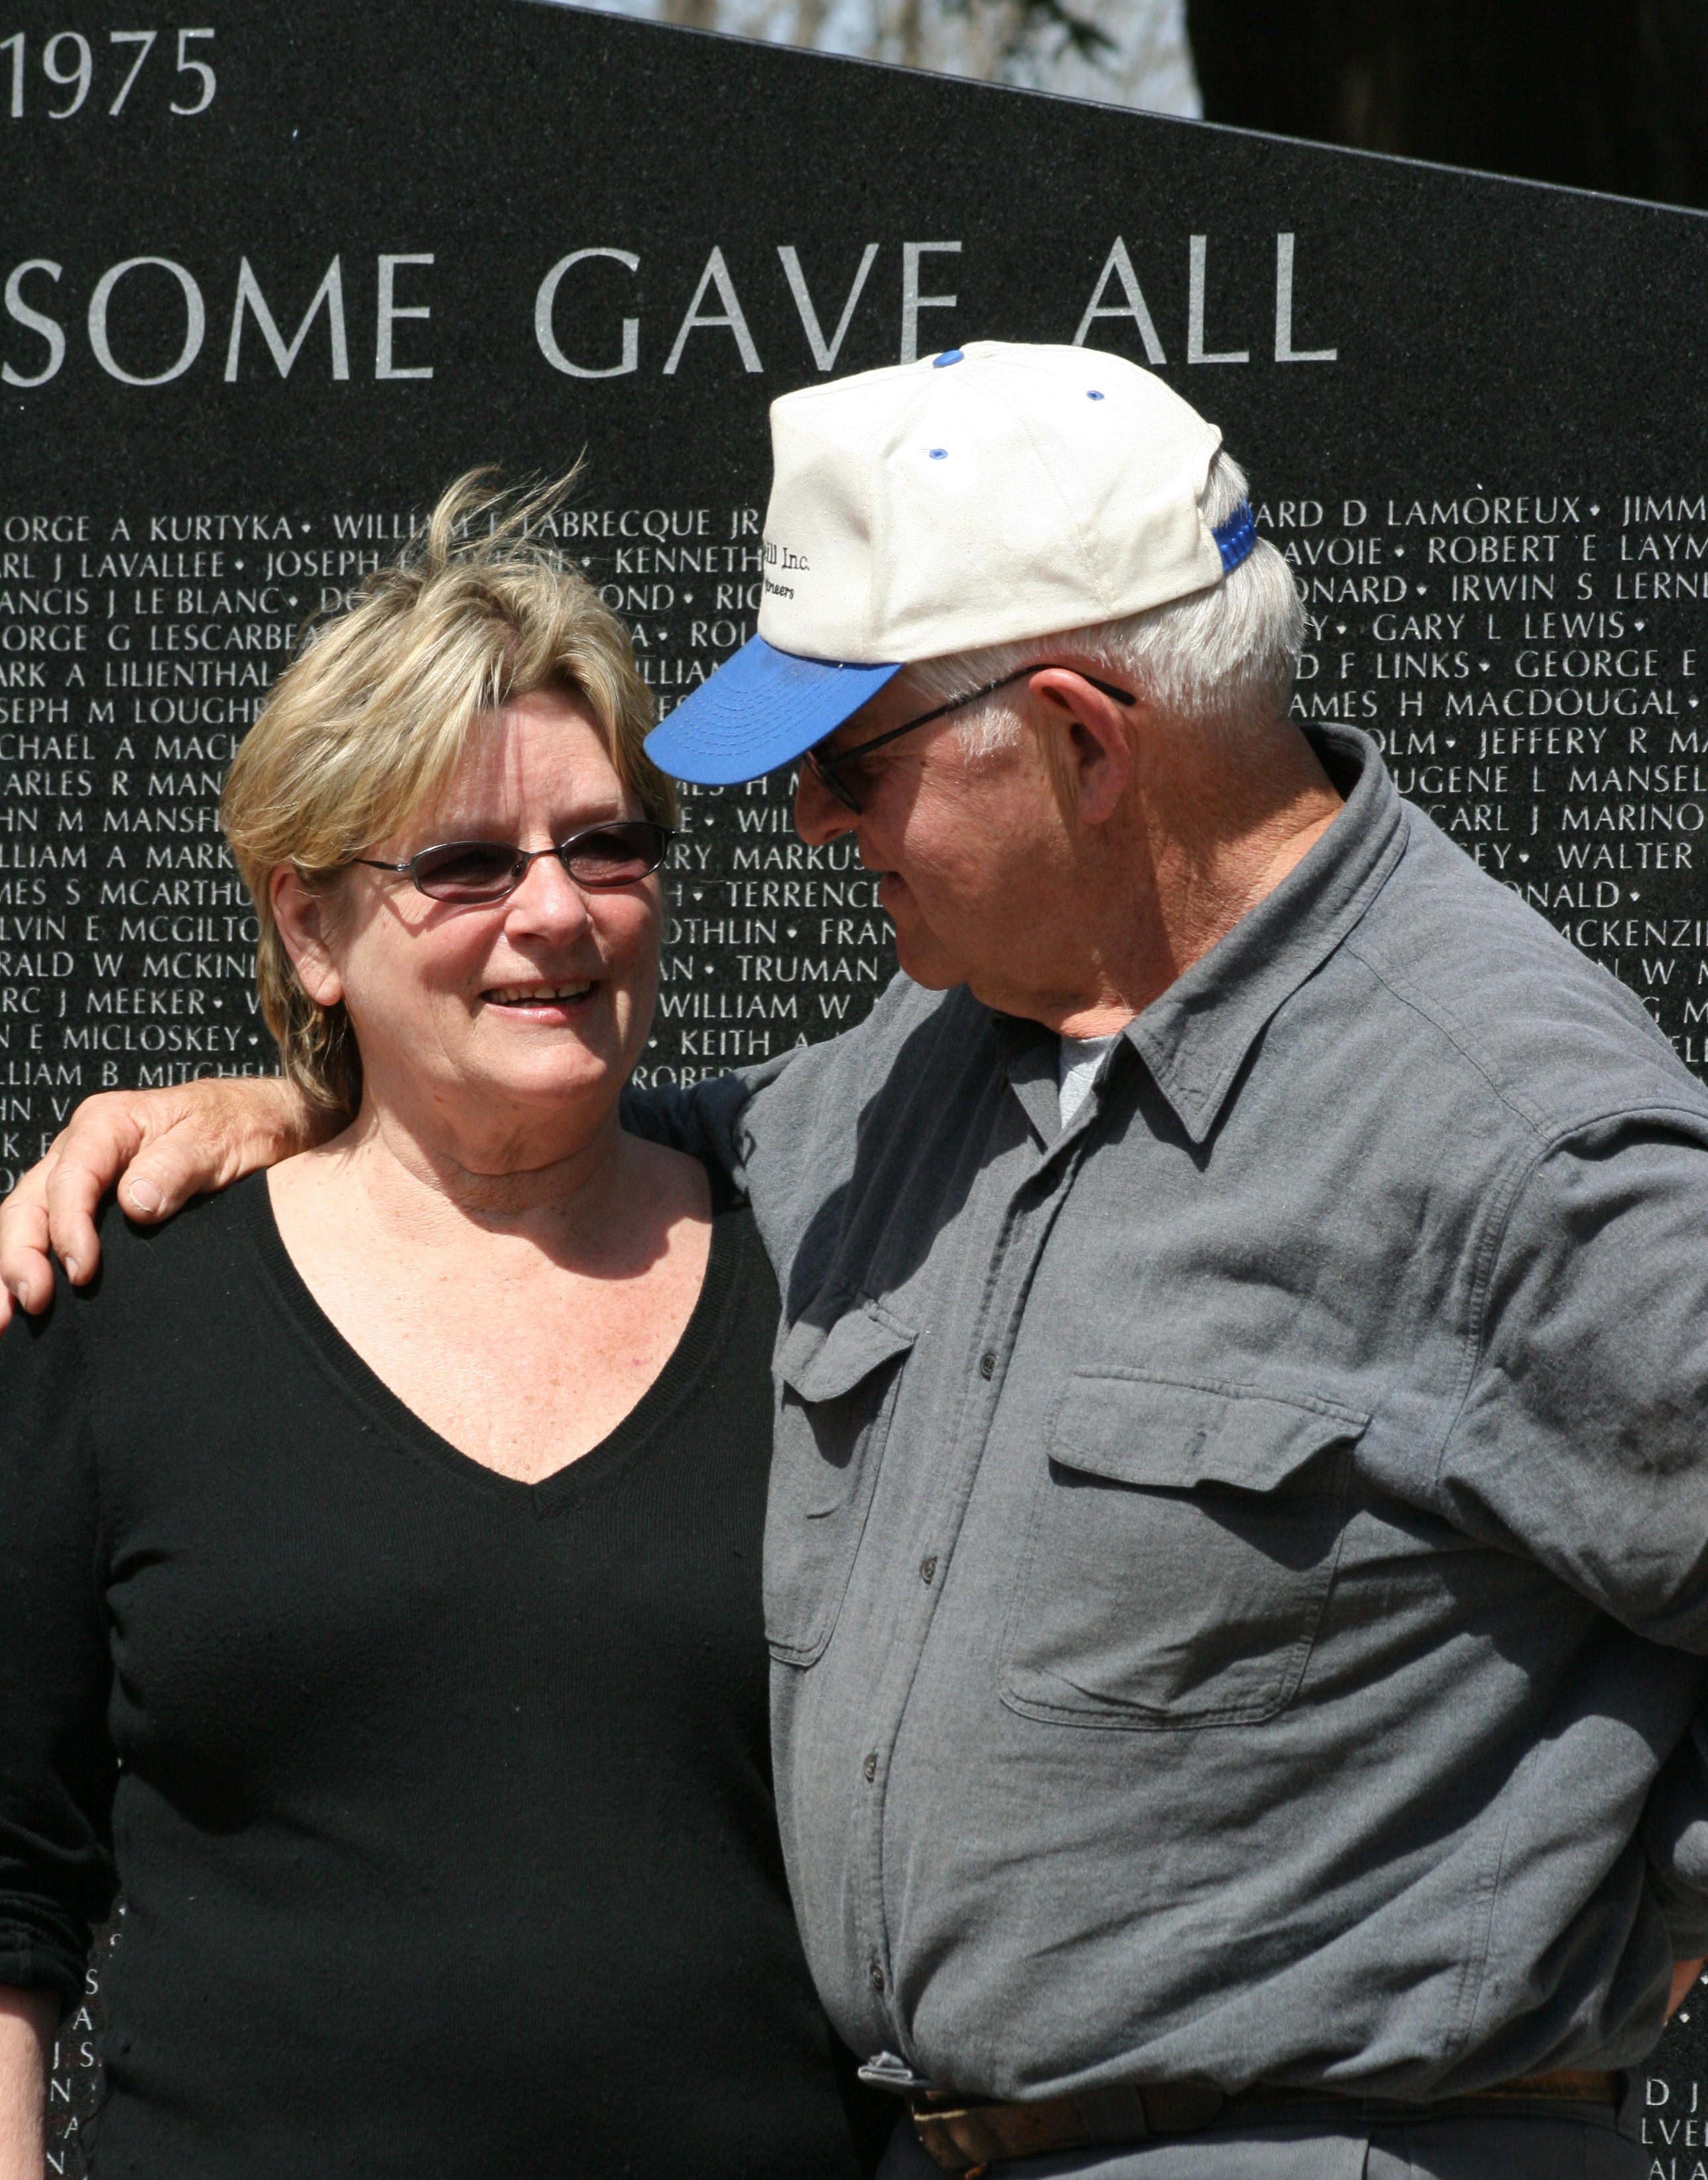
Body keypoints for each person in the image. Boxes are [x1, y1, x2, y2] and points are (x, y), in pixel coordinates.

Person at [7, 342, 1708, 2179]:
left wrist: (1619, 1915)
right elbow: (545, 1133)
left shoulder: (1515, 1140)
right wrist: (296, 1107)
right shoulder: (927, 1070)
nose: (813, 817)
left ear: (1080, 741)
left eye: (850, 757)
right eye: (465, 867)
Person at [0, 473, 885, 2180]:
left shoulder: (833, 1280)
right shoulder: (113, 1310)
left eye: (605, 845)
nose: (555, 911)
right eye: (466, 864)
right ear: (309, 925)